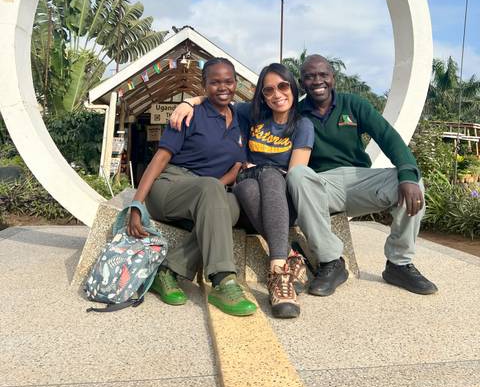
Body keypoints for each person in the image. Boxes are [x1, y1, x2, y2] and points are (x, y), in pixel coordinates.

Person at [286, 54, 438, 297]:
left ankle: (399, 264)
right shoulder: (295, 113)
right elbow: (254, 113)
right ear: (302, 82)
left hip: (360, 180)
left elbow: (389, 138)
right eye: (309, 76)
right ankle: (331, 263)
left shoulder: (354, 105)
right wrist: (201, 101)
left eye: (323, 75)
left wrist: (407, 175)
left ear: (332, 78)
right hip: (323, 184)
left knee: (412, 180)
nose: (317, 81)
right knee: (298, 175)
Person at [171, 63, 315, 319]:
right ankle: (287, 258)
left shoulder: (302, 125)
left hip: (281, 200)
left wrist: (263, 169)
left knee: (269, 174)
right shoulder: (254, 114)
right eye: (268, 90)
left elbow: (295, 174)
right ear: (262, 95)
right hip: (249, 199)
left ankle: (278, 272)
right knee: (246, 184)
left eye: (282, 86)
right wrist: (189, 102)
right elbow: (219, 96)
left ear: (293, 88)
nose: (276, 94)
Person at [127, 57, 257, 317]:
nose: (223, 87)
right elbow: (160, 158)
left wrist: (229, 177)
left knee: (231, 207)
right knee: (214, 193)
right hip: (170, 186)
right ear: (203, 85)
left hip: (209, 190)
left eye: (229, 81)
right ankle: (223, 280)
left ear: (236, 83)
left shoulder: (241, 117)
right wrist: (137, 203)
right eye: (215, 82)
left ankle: (167, 270)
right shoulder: (190, 115)